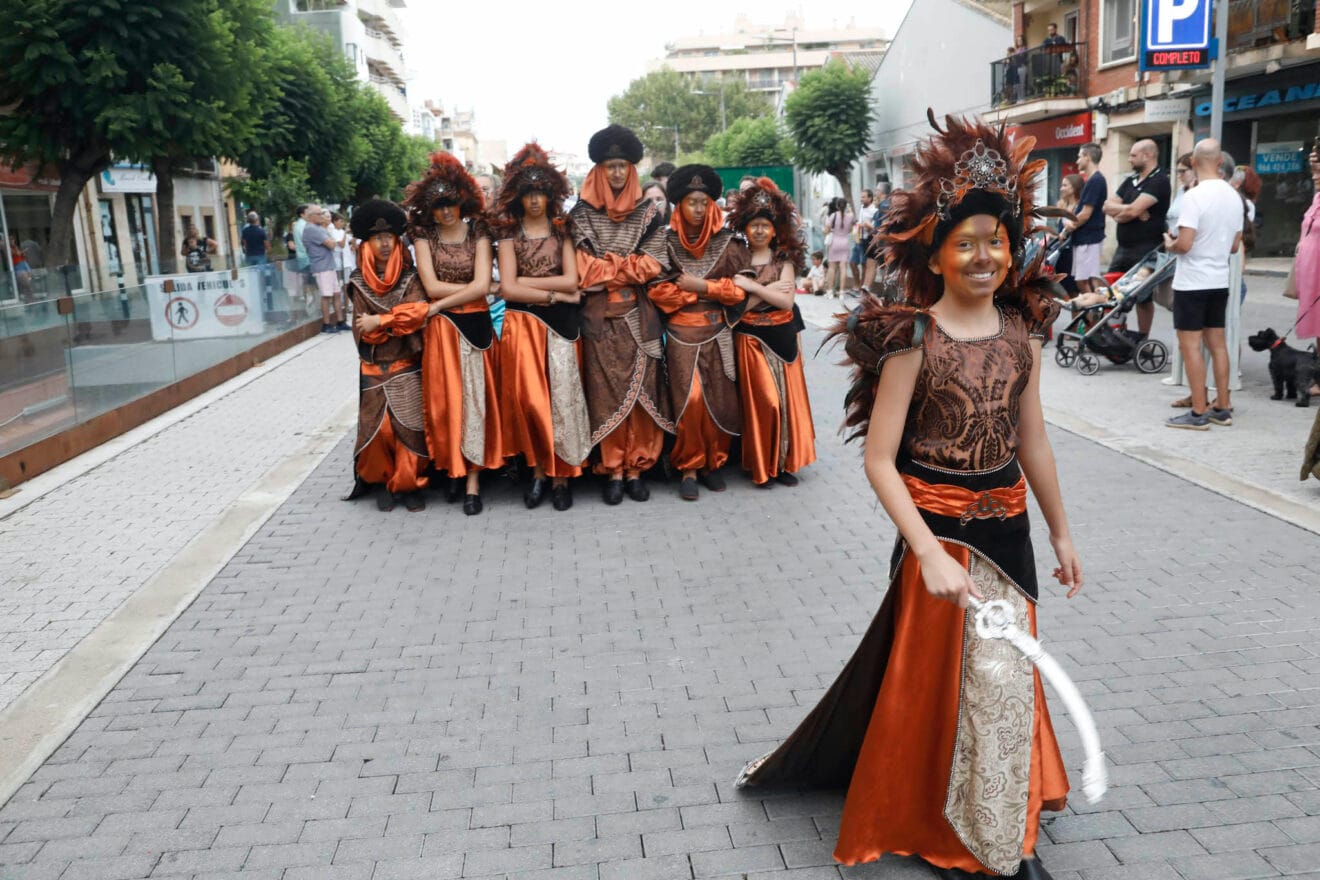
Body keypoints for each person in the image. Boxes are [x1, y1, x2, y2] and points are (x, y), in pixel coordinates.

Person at [736, 112, 1080, 880]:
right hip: (938, 533)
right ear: (936, 250)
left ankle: (1002, 830)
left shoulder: (1022, 335)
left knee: (1003, 675)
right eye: (966, 241)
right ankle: (979, 837)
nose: (984, 255)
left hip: (1011, 536)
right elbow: (881, 460)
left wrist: (1060, 532)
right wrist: (924, 549)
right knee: (941, 684)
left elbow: (1033, 441)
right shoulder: (910, 339)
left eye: (996, 239)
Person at [571, 125, 672, 504]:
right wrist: (624, 267)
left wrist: (607, 268)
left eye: (622, 166)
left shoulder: (649, 214)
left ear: (631, 170)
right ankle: (612, 469)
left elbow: (653, 265)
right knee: (603, 394)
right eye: (610, 166)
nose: (616, 173)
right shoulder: (580, 215)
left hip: (637, 318)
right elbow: (583, 271)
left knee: (645, 394)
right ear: (599, 170)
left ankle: (636, 468)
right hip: (598, 322)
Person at [403, 152, 503, 516]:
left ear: (463, 200)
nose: (446, 212)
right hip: (443, 332)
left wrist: (440, 303)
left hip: (474, 327)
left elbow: (478, 286)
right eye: (439, 205)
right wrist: (458, 297)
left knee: (477, 402)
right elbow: (433, 284)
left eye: (451, 204)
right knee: (446, 404)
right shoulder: (424, 236)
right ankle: (453, 469)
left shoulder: (479, 231)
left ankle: (474, 478)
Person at [643, 164, 749, 501]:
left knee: (718, 400)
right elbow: (659, 293)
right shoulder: (663, 240)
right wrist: (698, 293)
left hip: (719, 335)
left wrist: (699, 285)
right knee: (690, 401)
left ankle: (713, 464)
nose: (699, 209)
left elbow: (740, 291)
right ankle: (688, 466)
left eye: (704, 202)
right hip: (680, 336)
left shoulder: (728, 241)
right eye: (692, 203)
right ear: (678, 205)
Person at [492, 143, 587, 512]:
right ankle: (537, 472)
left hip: (561, 327)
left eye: (541, 194)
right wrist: (553, 293)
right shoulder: (508, 233)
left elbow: (573, 279)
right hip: (521, 326)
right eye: (528, 194)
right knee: (531, 402)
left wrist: (533, 287)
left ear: (551, 196)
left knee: (562, 400)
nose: (535, 201)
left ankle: (562, 476)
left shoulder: (563, 230)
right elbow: (507, 288)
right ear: (519, 196)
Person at [344, 199, 443, 513]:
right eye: (377, 238)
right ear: (367, 244)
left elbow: (417, 314)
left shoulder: (412, 279)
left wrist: (382, 320)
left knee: (410, 430)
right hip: (373, 368)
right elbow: (363, 330)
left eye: (389, 237)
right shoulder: (358, 283)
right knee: (379, 431)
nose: (385, 243)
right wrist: (392, 323)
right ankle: (383, 481)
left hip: (406, 367)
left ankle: (409, 483)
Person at [727, 178, 816, 487]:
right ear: (746, 229)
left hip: (784, 338)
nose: (760, 230)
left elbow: (787, 302)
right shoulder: (737, 259)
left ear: (776, 229)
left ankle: (783, 464)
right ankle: (762, 466)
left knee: (786, 404)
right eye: (754, 226)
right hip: (750, 340)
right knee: (765, 403)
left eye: (766, 225)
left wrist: (752, 288)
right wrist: (764, 290)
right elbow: (738, 308)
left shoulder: (783, 260)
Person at [1162, 139, 1243, 430]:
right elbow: (1235, 245)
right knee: (1218, 345)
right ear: (1220, 162)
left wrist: (1170, 244)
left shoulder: (1193, 197)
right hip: (1219, 280)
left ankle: (1198, 412)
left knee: (1191, 346)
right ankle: (1223, 406)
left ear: (1194, 163)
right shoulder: (1234, 197)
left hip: (1192, 282)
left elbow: (1184, 244)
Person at [1103, 139, 1170, 340]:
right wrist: (1130, 211)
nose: (1129, 159)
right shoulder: (1131, 180)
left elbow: (1129, 209)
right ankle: (1114, 332)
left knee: (1142, 295)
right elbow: (1108, 206)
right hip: (1123, 247)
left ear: (1147, 155)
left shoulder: (1159, 180)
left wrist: (1128, 210)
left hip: (1146, 248)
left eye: (1133, 155)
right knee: (1113, 290)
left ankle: (1142, 337)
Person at [1291, 142, 1320, 399]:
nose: (1314, 175)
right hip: (1312, 277)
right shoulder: (1318, 196)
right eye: (1312, 168)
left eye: (1318, 168)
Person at [1064, 142, 1106, 294]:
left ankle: (1094, 312)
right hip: (1085, 238)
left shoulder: (1096, 181)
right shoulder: (1092, 181)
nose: (1077, 161)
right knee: (1085, 279)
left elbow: (1086, 213)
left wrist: (1070, 225)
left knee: (1086, 280)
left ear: (1087, 158)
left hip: (1090, 238)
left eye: (1079, 157)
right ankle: (1093, 313)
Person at [303, 206, 347, 333]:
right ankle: (326, 324)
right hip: (322, 267)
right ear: (312, 216)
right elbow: (332, 244)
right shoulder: (311, 229)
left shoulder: (319, 228)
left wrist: (332, 240)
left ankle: (340, 321)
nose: (323, 216)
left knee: (337, 294)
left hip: (329, 265)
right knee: (326, 296)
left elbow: (333, 242)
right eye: (320, 214)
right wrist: (332, 241)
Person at [1053, 173, 1083, 296]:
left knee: (1073, 291)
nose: (1061, 188)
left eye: (1065, 185)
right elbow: (1059, 231)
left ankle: (1078, 315)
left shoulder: (1079, 207)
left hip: (1072, 252)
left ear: (1074, 187)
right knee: (1064, 291)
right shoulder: (1062, 206)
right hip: (1062, 253)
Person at [849, 189, 878, 292]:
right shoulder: (862, 207)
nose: (861, 199)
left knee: (864, 264)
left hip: (867, 240)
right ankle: (857, 285)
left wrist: (868, 226)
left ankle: (863, 287)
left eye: (864, 197)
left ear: (870, 198)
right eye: (861, 197)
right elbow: (860, 221)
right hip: (858, 238)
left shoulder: (874, 210)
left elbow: (875, 227)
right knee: (852, 262)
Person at [824, 196, 853, 298]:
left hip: (834, 243)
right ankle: (841, 292)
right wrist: (849, 208)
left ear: (837, 206)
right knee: (843, 268)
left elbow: (827, 230)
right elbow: (849, 230)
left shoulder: (833, 216)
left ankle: (830, 292)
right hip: (844, 243)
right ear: (845, 206)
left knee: (832, 268)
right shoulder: (850, 217)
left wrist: (826, 231)